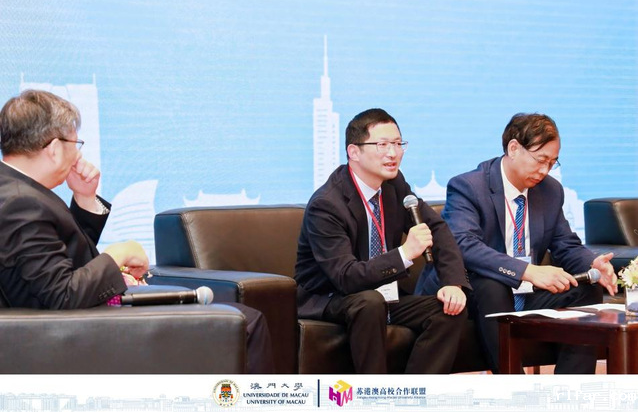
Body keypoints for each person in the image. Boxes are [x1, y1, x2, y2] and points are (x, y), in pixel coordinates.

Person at [0, 89, 273, 372]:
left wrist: (84, 198)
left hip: (72, 322)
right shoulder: (22, 202)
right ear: (55, 149)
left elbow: (63, 259)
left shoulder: (16, 190)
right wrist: (118, 254)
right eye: (76, 143)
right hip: (76, 333)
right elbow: (63, 296)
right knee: (246, 322)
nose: (78, 153)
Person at [295, 108, 471, 374]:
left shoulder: (394, 185)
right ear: (354, 152)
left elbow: (436, 228)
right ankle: (375, 392)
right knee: (369, 302)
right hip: (331, 297)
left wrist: (452, 283)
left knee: (449, 311)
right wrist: (404, 254)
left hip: (384, 295)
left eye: (398, 144)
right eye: (383, 145)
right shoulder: (327, 204)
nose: (393, 153)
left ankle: (417, 392)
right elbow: (345, 277)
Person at [439, 112, 617, 374]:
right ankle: (516, 388)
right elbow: (464, 245)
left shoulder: (550, 190)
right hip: (479, 293)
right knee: (492, 285)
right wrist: (527, 271)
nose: (545, 170)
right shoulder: (469, 186)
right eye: (540, 160)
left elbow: (565, 244)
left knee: (587, 290)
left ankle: (570, 390)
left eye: (552, 163)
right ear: (514, 148)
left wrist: (592, 264)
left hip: (526, 294)